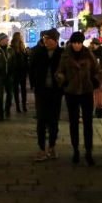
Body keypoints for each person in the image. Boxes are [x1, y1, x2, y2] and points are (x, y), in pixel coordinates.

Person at [55, 31, 98, 165]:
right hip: (72, 92)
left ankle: (89, 151)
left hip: (86, 90)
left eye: (79, 43)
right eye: (74, 43)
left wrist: (94, 81)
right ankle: (75, 150)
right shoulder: (66, 55)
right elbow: (59, 71)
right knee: (73, 122)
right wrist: (63, 82)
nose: (77, 46)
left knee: (88, 123)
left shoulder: (88, 53)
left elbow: (96, 69)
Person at [30, 28, 64, 161]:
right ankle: (41, 148)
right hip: (41, 90)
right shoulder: (38, 52)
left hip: (56, 91)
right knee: (41, 119)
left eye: (49, 39)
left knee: (54, 120)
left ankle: (52, 146)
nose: (46, 41)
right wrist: (34, 84)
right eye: (45, 39)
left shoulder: (61, 53)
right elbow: (31, 68)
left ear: (55, 40)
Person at [11, 32, 29, 113]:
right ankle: (21, 106)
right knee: (20, 89)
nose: (21, 37)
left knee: (19, 89)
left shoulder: (22, 47)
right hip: (17, 71)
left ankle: (21, 106)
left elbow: (24, 59)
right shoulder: (13, 48)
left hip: (20, 71)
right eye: (20, 36)